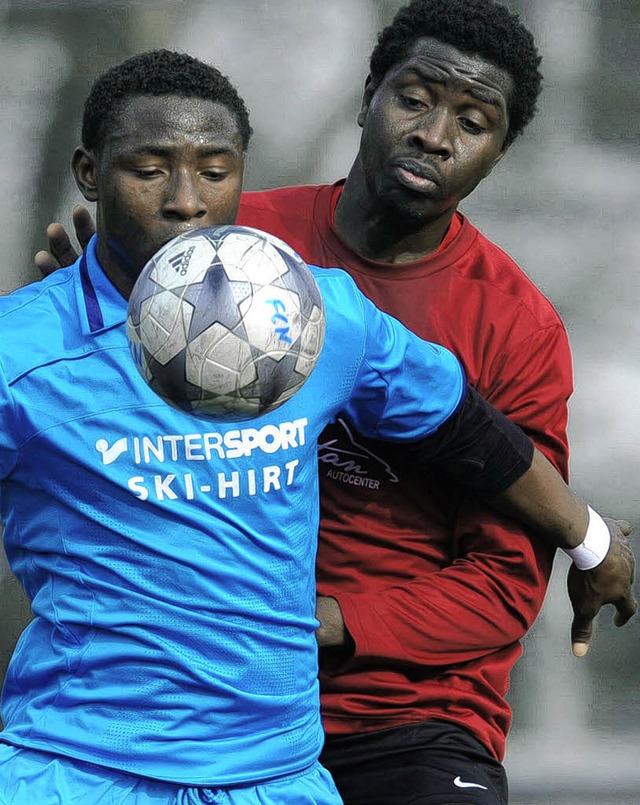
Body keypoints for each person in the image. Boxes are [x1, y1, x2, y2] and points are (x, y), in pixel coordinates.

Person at [31, 7, 637, 805]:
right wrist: (101, 285)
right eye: (414, 99)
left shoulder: (514, 326)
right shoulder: (230, 238)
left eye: (474, 121)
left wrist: (327, 621)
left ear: (498, 151)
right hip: (202, 692)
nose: (434, 134)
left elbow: (499, 585)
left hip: (409, 715)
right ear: (366, 99)